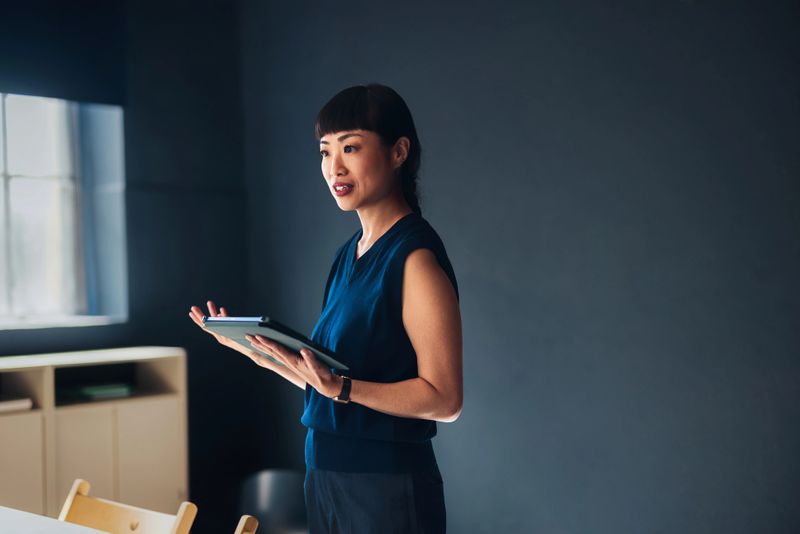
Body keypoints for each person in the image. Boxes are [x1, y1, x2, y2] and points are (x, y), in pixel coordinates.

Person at [189, 83, 462, 534]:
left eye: (350, 147)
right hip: (325, 474)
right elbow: (324, 381)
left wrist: (344, 389)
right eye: (324, 151)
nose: (334, 166)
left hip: (386, 484)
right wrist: (251, 349)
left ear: (399, 152)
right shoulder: (348, 254)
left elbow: (446, 399)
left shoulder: (414, 258)